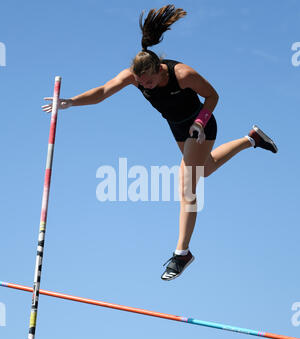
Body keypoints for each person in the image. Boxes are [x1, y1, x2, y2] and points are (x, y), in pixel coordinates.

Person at [42, 5, 278, 281]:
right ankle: (252, 139)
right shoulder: (134, 76)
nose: (147, 86)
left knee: (186, 183)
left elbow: (213, 96)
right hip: (178, 128)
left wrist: (200, 122)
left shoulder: (183, 74)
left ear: (159, 70)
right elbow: (103, 92)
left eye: (151, 82)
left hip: (199, 124)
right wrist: (70, 101)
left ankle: (182, 253)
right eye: (142, 84)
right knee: (206, 168)